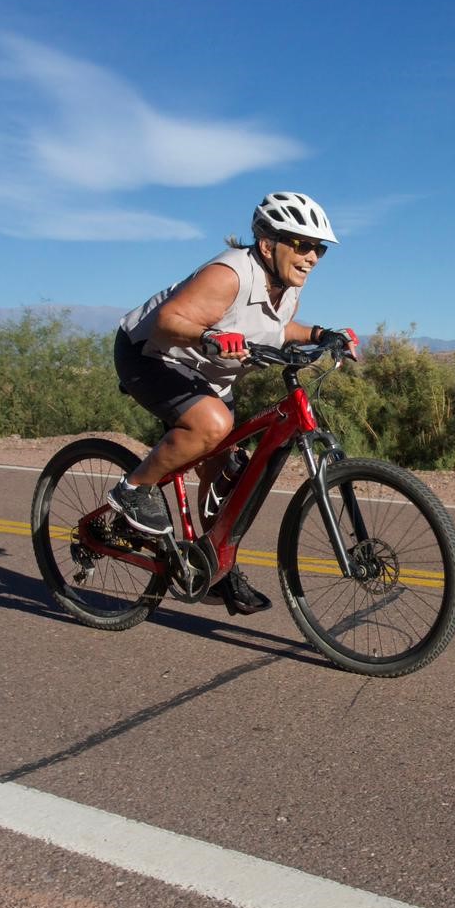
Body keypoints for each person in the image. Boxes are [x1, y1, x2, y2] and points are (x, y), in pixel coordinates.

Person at [108, 191, 355, 614]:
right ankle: (133, 489)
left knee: (226, 480)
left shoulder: (287, 286)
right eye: (301, 244)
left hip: (208, 374)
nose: (312, 256)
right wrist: (209, 337)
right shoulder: (229, 274)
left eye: (319, 248)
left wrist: (321, 335)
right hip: (151, 354)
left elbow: (275, 327)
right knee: (212, 427)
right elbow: (169, 321)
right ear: (266, 244)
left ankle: (215, 571)